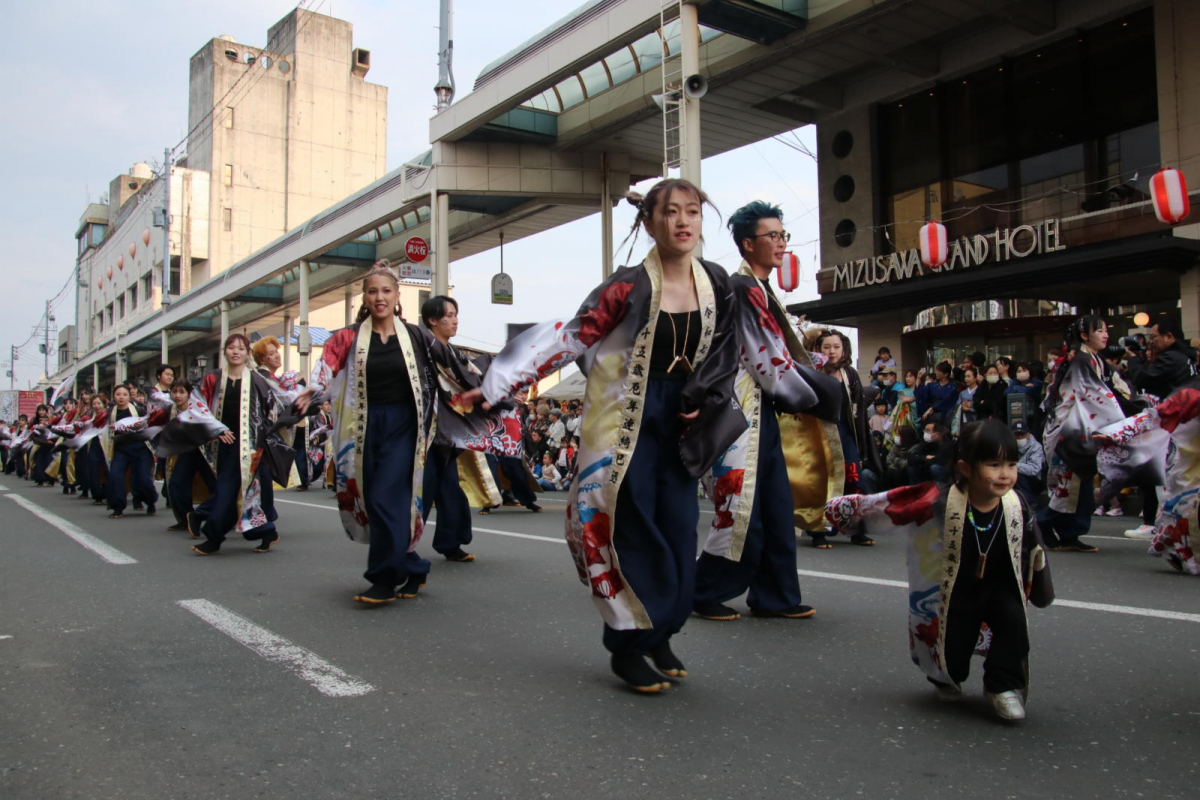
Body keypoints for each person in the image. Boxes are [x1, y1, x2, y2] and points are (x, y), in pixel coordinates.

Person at [463, 178, 741, 694]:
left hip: (684, 420)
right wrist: (499, 381)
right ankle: (627, 645)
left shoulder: (719, 282)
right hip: (627, 421)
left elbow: (728, 351)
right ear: (650, 223)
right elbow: (575, 335)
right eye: (670, 212)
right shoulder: (627, 284)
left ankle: (660, 630)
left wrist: (706, 396)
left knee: (680, 530)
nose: (683, 222)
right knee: (632, 532)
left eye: (692, 213)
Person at [295, 263, 516, 603]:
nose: (379, 297)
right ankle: (413, 566)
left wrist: (492, 388)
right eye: (372, 291)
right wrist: (312, 390)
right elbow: (326, 368)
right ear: (365, 298)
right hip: (364, 427)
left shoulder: (416, 336)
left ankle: (384, 579)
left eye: (386, 291)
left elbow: (458, 365)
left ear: (397, 296)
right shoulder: (348, 337)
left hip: (406, 426)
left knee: (387, 498)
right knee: (375, 501)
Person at [825, 420, 1054, 721]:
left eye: (1011, 464)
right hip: (956, 588)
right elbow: (894, 505)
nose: (1005, 474)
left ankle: (1002, 687)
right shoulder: (942, 500)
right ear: (967, 467)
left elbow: (1033, 545)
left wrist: (1040, 584)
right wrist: (845, 511)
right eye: (994, 464)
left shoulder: (1017, 504)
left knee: (1013, 624)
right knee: (953, 642)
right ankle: (946, 677)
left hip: (1001, 584)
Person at [693, 200, 841, 620]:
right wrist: (821, 393)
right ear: (747, 244)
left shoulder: (758, 288)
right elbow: (768, 361)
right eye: (771, 236)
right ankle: (702, 591)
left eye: (782, 235)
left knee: (775, 506)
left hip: (762, 416)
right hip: (740, 415)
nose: (780, 243)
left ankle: (776, 596)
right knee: (740, 510)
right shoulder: (741, 288)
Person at [1039, 316, 1141, 553]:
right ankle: (1047, 524)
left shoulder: (1092, 359)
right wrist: (1130, 414)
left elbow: (1113, 388)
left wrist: (1133, 403)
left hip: (1079, 429)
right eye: (1100, 331)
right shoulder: (1081, 360)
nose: (1105, 335)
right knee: (1070, 487)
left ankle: (1067, 534)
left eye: (1106, 330)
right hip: (1070, 431)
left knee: (1077, 485)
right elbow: (1096, 395)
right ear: (1085, 336)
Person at [185, 334, 283, 554]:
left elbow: (272, 411)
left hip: (250, 447)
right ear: (224, 351)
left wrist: (262, 442)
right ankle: (265, 531)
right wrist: (216, 428)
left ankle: (214, 537)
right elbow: (196, 405)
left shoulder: (257, 380)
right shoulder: (212, 379)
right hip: (224, 444)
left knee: (227, 491)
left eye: (240, 348)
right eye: (231, 347)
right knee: (237, 493)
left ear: (247, 353)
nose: (235, 352)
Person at [1095, 378, 1200, 573]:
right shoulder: (1190, 394)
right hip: (1189, 469)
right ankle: (1181, 553)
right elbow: (1155, 417)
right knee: (1184, 513)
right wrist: (1117, 433)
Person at [419, 293, 481, 563]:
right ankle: (398, 544)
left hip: (446, 435)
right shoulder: (422, 349)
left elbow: (475, 379)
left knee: (449, 490)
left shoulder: (455, 354)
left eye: (456, 315)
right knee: (422, 490)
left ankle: (450, 542)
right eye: (450, 315)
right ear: (433, 320)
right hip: (424, 433)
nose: (455, 321)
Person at [811, 329, 882, 548]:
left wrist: (860, 443)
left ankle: (856, 530)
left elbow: (858, 410)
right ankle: (819, 532)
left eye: (836, 347)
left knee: (854, 481)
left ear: (844, 349)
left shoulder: (849, 373)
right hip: (820, 435)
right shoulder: (813, 371)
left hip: (846, 433)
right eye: (826, 347)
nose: (832, 351)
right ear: (818, 349)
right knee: (823, 484)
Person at [163, 379, 217, 533]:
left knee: (216, 484)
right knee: (177, 483)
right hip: (185, 452)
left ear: (189, 394)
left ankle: (223, 515)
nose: (178, 395)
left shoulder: (199, 407)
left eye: (182, 392)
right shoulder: (170, 410)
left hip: (205, 451)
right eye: (174, 392)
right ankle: (184, 519)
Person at [105, 384, 159, 519]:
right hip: (121, 449)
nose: (121, 397)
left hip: (140, 448)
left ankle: (150, 501)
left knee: (143, 479)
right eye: (118, 394)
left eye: (124, 394)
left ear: (129, 396)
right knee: (115, 476)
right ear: (114, 397)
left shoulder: (139, 410)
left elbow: (151, 424)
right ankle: (117, 507)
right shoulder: (110, 413)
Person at [1125, 318, 1195, 400]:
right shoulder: (1185, 355)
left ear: (1168, 337)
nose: (1151, 342)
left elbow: (1142, 378)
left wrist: (1133, 358)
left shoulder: (1171, 358)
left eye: (1153, 337)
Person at [1012, 420, 1044, 508]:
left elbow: (1034, 469)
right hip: (1015, 481)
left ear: (1027, 435)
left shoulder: (1036, 447)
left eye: (1021, 435)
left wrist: (1014, 465)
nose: (1019, 438)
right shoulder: (1010, 446)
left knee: (1017, 473)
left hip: (1034, 481)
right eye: (1016, 435)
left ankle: (1030, 504)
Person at [919, 361, 959, 426]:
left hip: (945, 415)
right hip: (931, 415)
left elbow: (948, 401)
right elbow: (922, 395)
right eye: (936, 371)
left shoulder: (952, 387)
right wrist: (919, 378)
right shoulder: (931, 385)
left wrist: (932, 408)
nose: (936, 373)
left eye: (939, 371)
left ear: (946, 374)